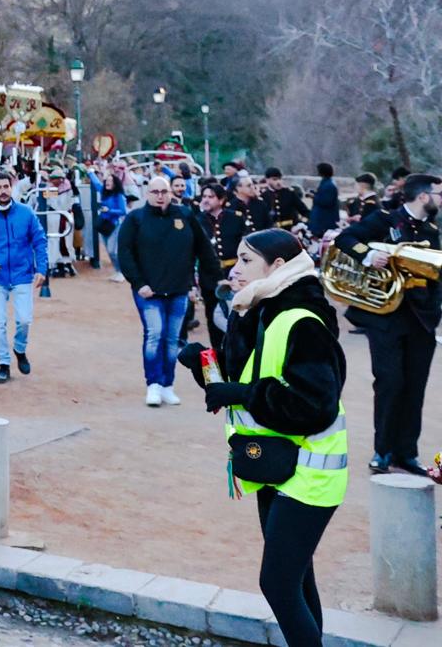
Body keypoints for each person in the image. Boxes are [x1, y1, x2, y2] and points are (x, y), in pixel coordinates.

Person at [179, 230, 347, 647]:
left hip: (310, 473)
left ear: (277, 267)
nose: (234, 270)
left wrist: (239, 392)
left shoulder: (302, 317)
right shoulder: (258, 308)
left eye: (246, 261)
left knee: (278, 583)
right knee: (297, 580)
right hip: (275, 464)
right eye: (235, 260)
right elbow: (249, 382)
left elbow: (314, 405)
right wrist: (205, 369)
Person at [334, 173, 441, 476]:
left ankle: (407, 453)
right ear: (423, 196)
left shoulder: (432, 230)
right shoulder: (384, 220)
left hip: (420, 319)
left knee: (415, 386)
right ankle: (383, 451)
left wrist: (435, 312)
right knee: (390, 383)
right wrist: (368, 253)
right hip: (386, 317)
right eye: (440, 193)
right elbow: (345, 239)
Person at [118, 176, 221, 407]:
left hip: (178, 289)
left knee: (173, 339)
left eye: (163, 191)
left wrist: (217, 279)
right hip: (148, 291)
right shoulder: (135, 218)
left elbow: (203, 249)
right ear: (147, 193)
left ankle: (167, 385)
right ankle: (153, 384)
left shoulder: (184, 215)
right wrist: (138, 283)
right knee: (155, 335)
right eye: (155, 191)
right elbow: (125, 253)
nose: (160, 196)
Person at [0, 168, 48, 384]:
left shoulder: (26, 213)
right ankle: (3, 363)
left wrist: (42, 268)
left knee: (24, 320)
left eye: (6, 186)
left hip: (23, 274)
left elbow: (39, 240)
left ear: (11, 187)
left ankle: (19, 349)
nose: (2, 191)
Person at [190, 183, 232, 348]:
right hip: (209, 279)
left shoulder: (235, 218)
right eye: (204, 197)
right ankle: (218, 354)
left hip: (234, 276)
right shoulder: (196, 221)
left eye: (210, 197)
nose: (206, 200)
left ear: (221, 200)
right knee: (213, 318)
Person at [97, 172, 129, 281]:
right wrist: (90, 172)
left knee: (113, 250)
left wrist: (109, 210)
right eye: (107, 181)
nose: (108, 182)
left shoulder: (118, 195)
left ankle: (121, 272)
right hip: (104, 225)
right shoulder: (104, 192)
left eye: (111, 181)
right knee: (108, 250)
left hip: (114, 225)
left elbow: (123, 211)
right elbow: (96, 184)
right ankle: (117, 271)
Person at [307, 163, 340, 239]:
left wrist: (313, 196)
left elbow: (326, 202)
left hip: (324, 220)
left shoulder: (329, 185)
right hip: (321, 219)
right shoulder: (326, 183)